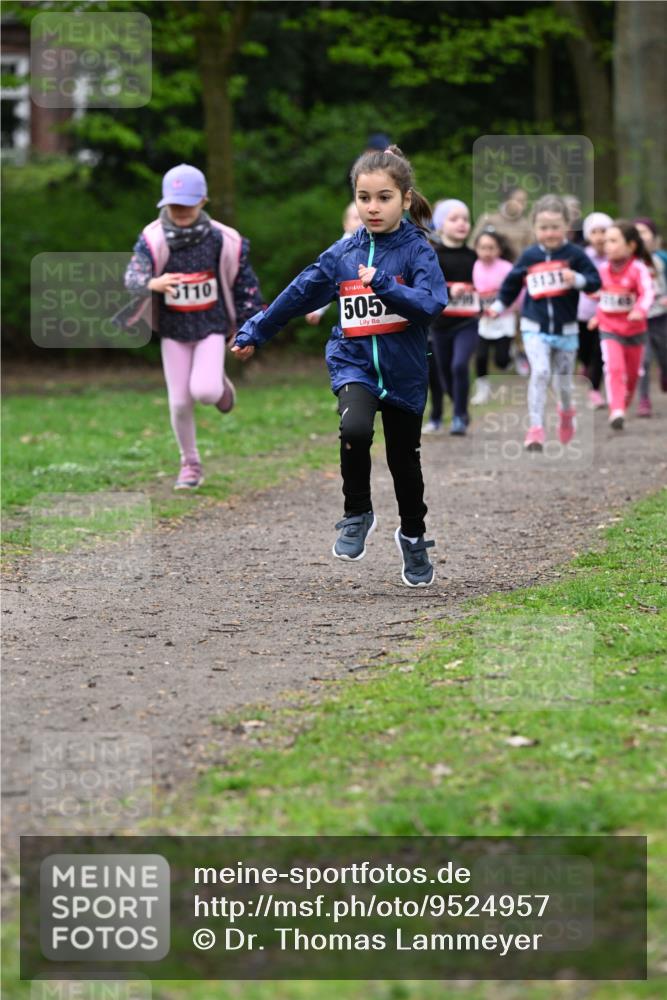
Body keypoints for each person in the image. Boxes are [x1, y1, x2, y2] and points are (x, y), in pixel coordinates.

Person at [232, 146, 448, 587]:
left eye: (384, 197)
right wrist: (256, 329)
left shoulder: (417, 251)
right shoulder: (343, 254)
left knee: (403, 462)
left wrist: (385, 285)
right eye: (364, 197)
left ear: (405, 200)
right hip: (354, 364)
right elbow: (298, 293)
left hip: (404, 370)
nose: (372, 207)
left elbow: (430, 305)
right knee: (353, 431)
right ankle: (356, 513)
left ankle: (413, 535)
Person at [122, 163, 263, 489]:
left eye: (187, 205)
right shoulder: (152, 238)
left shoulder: (222, 239)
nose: (181, 211)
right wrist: (154, 283)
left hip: (211, 326)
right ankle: (190, 464)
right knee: (179, 401)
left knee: (205, 391)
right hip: (173, 329)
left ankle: (221, 387)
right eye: (174, 206)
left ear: (202, 202)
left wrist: (248, 328)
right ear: (164, 205)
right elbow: (132, 278)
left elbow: (246, 287)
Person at [487, 194, 601, 451]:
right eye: (544, 228)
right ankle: (535, 428)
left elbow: (595, 281)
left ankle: (566, 412)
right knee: (540, 372)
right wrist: (498, 307)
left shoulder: (575, 255)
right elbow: (512, 284)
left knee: (563, 384)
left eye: (555, 227)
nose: (549, 233)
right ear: (535, 228)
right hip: (534, 327)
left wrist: (578, 280)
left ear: (566, 226)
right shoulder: (529, 256)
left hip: (567, 330)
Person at [589, 221, 654, 430]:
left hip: (635, 330)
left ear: (631, 245)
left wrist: (639, 310)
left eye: (613, 240)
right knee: (614, 368)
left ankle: (623, 405)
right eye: (606, 241)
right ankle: (616, 409)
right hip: (609, 329)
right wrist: (597, 315)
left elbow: (648, 292)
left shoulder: (638, 269)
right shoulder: (602, 269)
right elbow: (601, 296)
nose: (607, 245)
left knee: (633, 374)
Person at [429, 199, 478, 435]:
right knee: (445, 374)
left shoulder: (476, 257)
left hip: (468, 323)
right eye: (454, 219)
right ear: (440, 226)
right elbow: (425, 288)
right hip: (440, 326)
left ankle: (459, 416)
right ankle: (460, 407)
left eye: (465, 219)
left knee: (459, 365)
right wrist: (449, 291)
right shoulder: (432, 257)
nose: (461, 223)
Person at [470, 228, 515, 405]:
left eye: (491, 248)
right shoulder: (476, 266)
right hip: (485, 319)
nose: (487, 252)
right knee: (480, 356)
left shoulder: (507, 268)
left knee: (501, 361)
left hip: (504, 317)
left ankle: (511, 356)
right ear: (476, 249)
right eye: (482, 248)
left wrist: (508, 306)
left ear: (499, 250)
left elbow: (516, 292)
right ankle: (482, 389)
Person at [577, 212, 613, 410]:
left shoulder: (614, 257)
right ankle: (584, 365)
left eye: (603, 231)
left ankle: (594, 390)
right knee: (584, 350)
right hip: (582, 313)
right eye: (594, 232)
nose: (599, 236)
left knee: (598, 354)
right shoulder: (581, 256)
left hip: (606, 313)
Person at [305, 202, 362, 325]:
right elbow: (328, 280)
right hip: (352, 310)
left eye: (363, 217)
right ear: (346, 225)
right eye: (356, 218)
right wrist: (317, 309)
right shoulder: (339, 251)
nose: (361, 222)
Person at [634, 217, 667, 414]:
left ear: (654, 237)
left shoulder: (661, 258)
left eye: (644, 232)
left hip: (662, 316)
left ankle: (664, 373)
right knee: (643, 360)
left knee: (664, 354)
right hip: (640, 318)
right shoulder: (630, 263)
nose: (640, 236)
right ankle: (643, 399)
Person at [470, 186, 532, 260]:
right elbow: (472, 245)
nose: (523, 206)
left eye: (524, 202)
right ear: (507, 200)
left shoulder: (526, 225)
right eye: (519, 201)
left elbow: (530, 252)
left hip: (515, 268)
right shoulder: (488, 219)